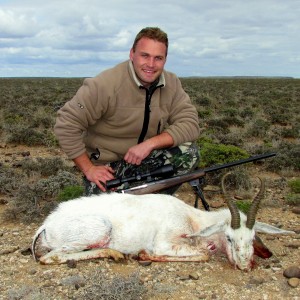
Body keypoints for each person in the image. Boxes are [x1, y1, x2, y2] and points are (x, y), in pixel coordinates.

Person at [54, 27, 200, 195]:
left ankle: (151, 203)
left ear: (165, 60)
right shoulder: (104, 85)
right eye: (145, 55)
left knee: (189, 152)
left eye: (158, 58)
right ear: (132, 54)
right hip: (108, 169)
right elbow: (65, 125)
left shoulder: (171, 83)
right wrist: (89, 169)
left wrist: (149, 145)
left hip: (145, 160)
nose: (151, 65)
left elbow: (190, 123)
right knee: (109, 217)